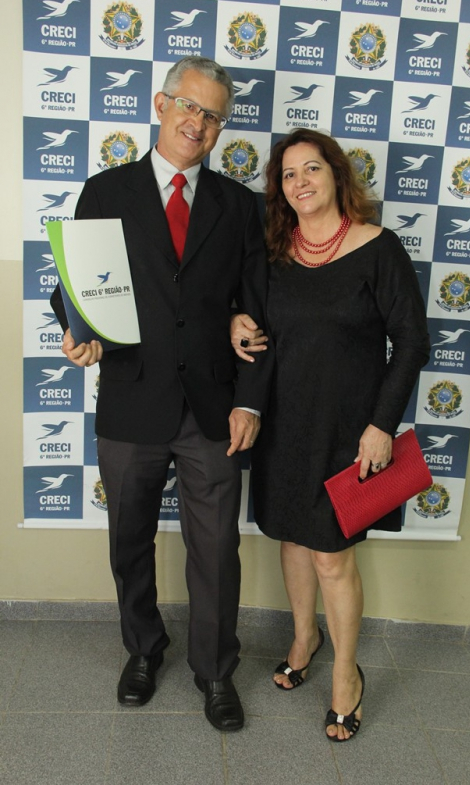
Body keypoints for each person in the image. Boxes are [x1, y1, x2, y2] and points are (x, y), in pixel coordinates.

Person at [50, 56, 273, 732]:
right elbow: (73, 285)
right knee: (129, 542)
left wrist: (249, 401)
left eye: (213, 116)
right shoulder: (106, 190)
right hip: (130, 398)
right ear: (160, 104)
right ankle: (144, 651)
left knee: (218, 552)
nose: (198, 123)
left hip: (213, 408)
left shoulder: (240, 205)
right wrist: (78, 332)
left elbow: (256, 312)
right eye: (189, 106)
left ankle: (215, 671)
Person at [231, 128, 429, 741]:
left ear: (336, 175)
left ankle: (347, 673)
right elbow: (254, 327)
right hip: (283, 427)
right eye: (288, 174)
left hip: (349, 432)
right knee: (292, 540)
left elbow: (412, 343)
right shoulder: (273, 254)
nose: (301, 182)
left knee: (331, 557)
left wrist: (381, 425)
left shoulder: (379, 247)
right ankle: (304, 637)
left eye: (311, 168)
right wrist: (238, 321)